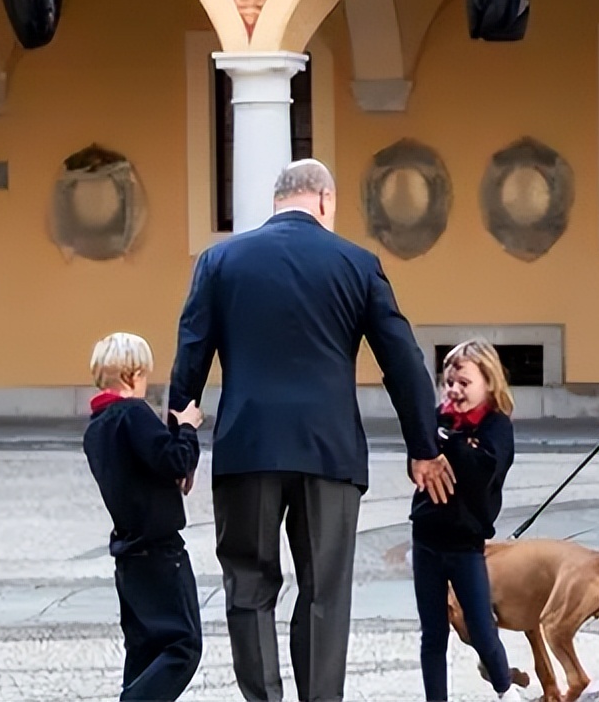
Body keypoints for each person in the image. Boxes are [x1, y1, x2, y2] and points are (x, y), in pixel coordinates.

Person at [168, 159, 455, 702]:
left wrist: (178, 451)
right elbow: (403, 361)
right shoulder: (357, 262)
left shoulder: (220, 261)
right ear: (325, 200)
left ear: (277, 200)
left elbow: (190, 358)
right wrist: (422, 446)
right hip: (330, 452)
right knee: (325, 593)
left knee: (248, 587)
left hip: (247, 447)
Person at [82, 332, 204, 701]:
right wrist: (187, 427)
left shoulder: (96, 427)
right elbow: (175, 460)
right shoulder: (133, 414)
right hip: (160, 550)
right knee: (182, 645)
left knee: (143, 650)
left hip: (129, 555)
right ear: (133, 374)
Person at [409, 340, 520, 702]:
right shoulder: (438, 420)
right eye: (448, 383)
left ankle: (505, 687)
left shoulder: (496, 427)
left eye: (464, 384)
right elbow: (421, 463)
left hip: (465, 546)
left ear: (489, 383)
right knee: (433, 634)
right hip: (427, 539)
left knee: (481, 628)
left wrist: (453, 442)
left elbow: (480, 471)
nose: (454, 391)